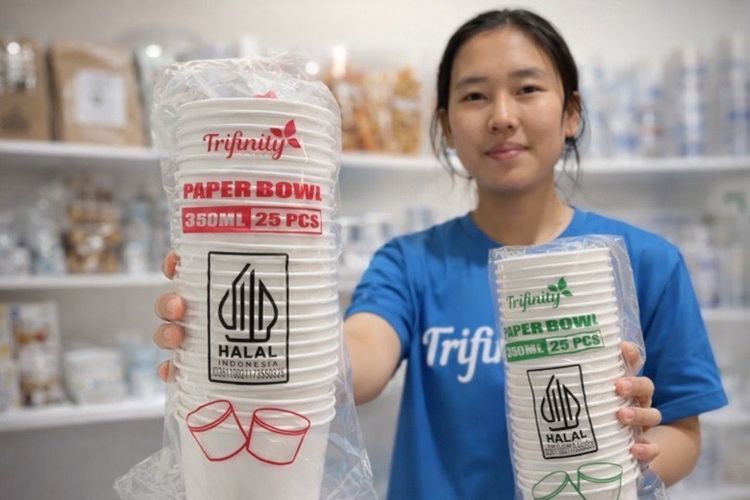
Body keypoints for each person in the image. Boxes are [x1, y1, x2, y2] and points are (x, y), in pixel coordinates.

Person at [153, 8, 728, 499]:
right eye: (474, 95)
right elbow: (361, 360)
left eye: (527, 89)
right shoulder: (411, 262)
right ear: (447, 127)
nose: (502, 116)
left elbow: (684, 433)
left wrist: (633, 450)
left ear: (571, 112)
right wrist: (245, 335)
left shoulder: (644, 262)